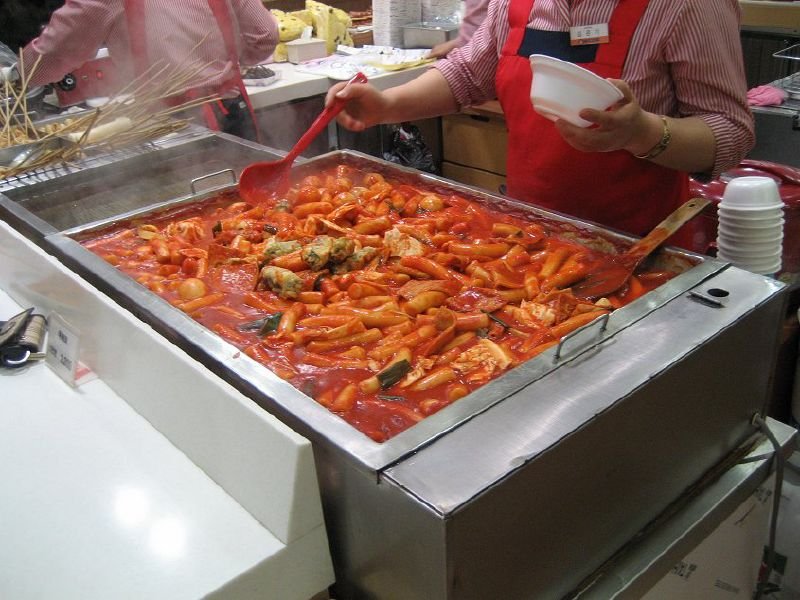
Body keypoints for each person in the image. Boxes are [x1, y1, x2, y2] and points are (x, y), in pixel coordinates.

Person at [327, 0, 755, 247]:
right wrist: (385, 104)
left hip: (638, 250)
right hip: (526, 240)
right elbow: (467, 74)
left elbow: (731, 132)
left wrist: (640, 132)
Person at [1, 0, 279, 142]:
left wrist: (17, 75)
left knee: (182, 238)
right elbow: (264, 34)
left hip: (166, 125)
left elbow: (60, 48)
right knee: (247, 218)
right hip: (233, 108)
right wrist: (222, 67)